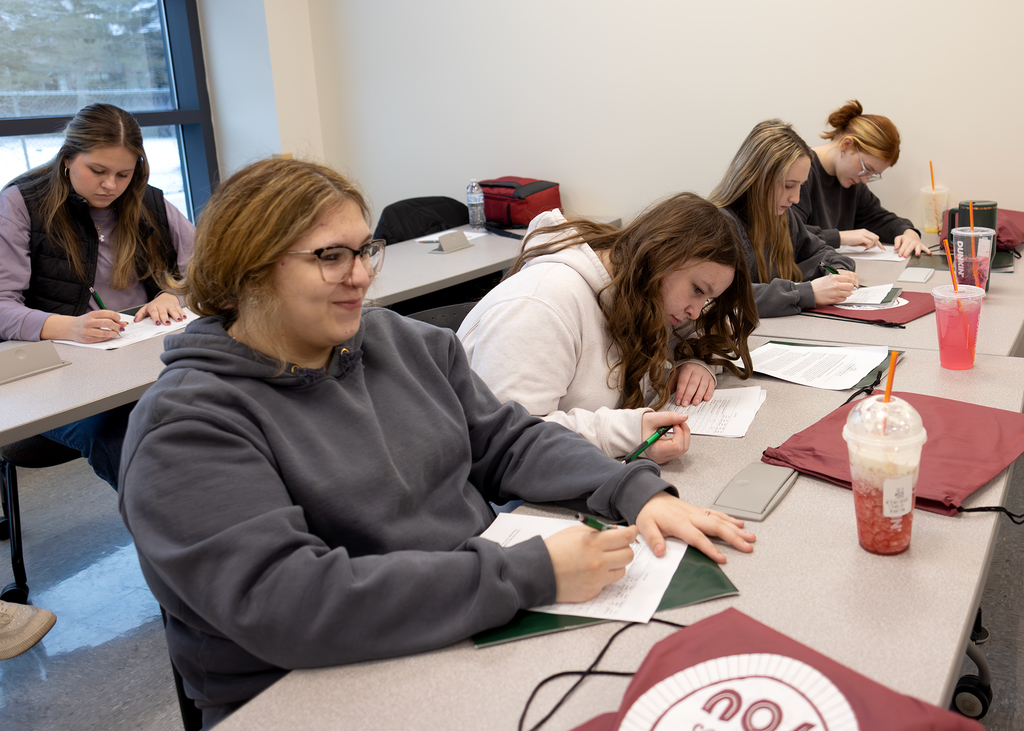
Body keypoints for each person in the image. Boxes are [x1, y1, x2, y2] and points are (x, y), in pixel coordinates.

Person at [117, 158, 756, 727]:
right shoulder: (187, 425)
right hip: (306, 685)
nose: (361, 275)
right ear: (247, 268)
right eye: (330, 256)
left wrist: (631, 490)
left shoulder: (402, 344)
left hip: (462, 612)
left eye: (366, 250)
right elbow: (287, 603)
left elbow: (509, 441)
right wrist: (529, 573)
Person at [457, 193, 759, 465]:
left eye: (707, 300)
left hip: (584, 476)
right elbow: (512, 443)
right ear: (661, 254)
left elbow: (713, 331)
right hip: (498, 508)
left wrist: (697, 363)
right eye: (696, 289)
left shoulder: (642, 295)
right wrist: (627, 433)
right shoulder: (542, 304)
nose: (696, 310)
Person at [0, 103, 194, 489]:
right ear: (68, 159)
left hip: (145, 360)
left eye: (124, 174)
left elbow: (212, 275)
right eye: (98, 171)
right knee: (122, 430)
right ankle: (177, 533)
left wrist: (175, 295)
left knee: (223, 402)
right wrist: (68, 327)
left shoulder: (149, 202)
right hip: (63, 377)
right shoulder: (20, 204)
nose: (111, 185)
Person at [709, 119, 859, 319]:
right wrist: (808, 293)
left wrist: (838, 273)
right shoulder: (718, 225)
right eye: (788, 185)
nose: (795, 198)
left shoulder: (784, 217)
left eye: (800, 186)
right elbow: (724, 296)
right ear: (756, 178)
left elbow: (822, 252)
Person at [793, 100, 926, 258]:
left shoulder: (850, 182)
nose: (864, 180)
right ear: (847, 145)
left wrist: (908, 232)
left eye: (872, 174)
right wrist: (842, 237)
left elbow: (877, 218)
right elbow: (787, 233)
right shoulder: (799, 174)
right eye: (867, 169)